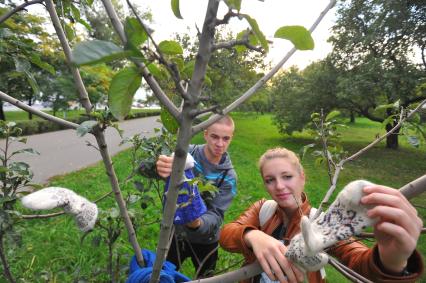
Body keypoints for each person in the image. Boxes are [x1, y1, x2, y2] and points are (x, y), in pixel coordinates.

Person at [219, 147, 424, 283]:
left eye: (287, 176)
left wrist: (392, 260)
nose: (279, 186)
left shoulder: (324, 224)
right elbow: (227, 234)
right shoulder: (263, 209)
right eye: (270, 180)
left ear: (302, 177)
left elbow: (356, 258)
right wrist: (253, 236)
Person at [156, 115, 237, 277]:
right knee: (164, 275)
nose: (220, 144)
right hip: (175, 235)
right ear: (205, 134)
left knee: (205, 277)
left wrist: (197, 223)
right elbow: (147, 169)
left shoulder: (229, 176)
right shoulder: (186, 152)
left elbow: (216, 214)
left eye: (225, 138)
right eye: (214, 137)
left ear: (231, 138)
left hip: (206, 240)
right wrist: (158, 167)